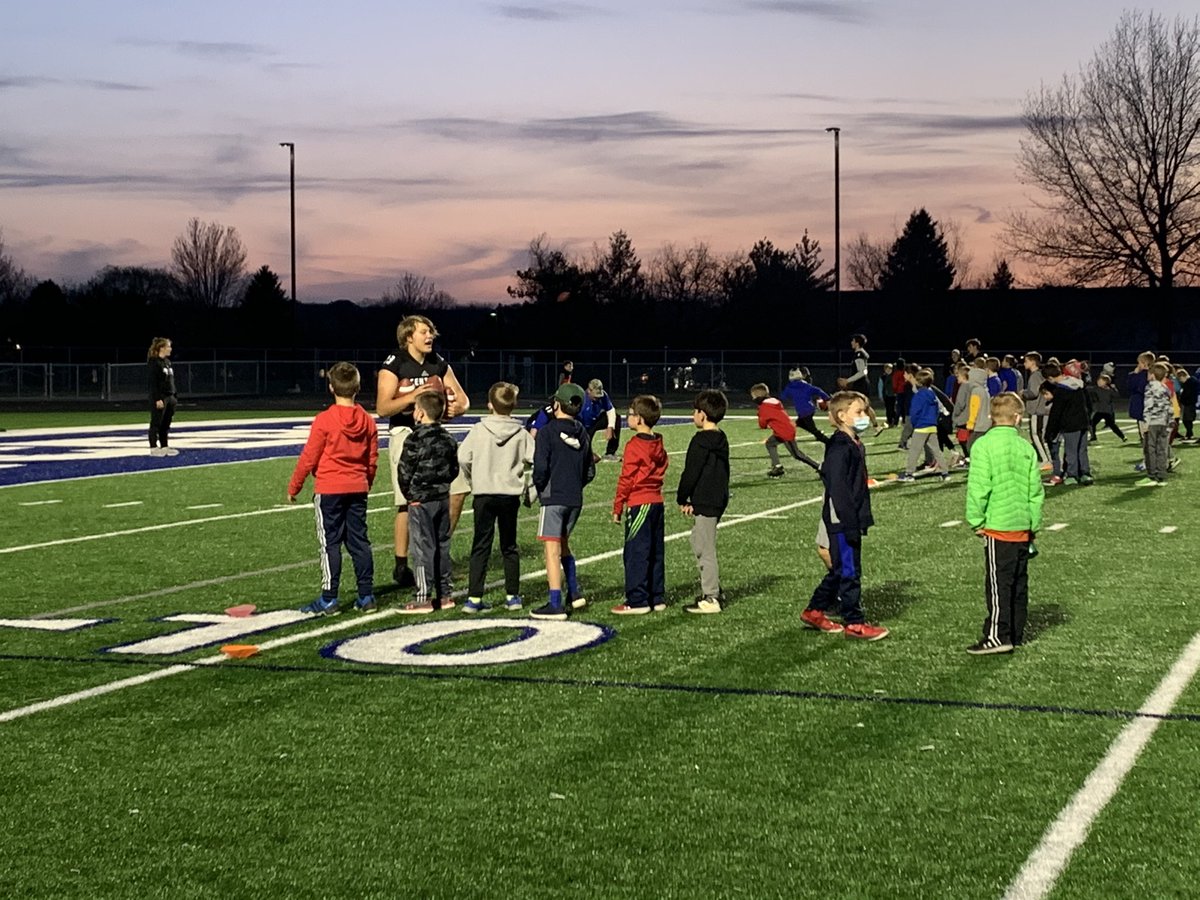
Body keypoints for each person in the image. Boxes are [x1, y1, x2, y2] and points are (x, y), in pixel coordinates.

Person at [375, 315, 469, 589]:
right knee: (408, 500)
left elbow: (463, 400)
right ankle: (401, 564)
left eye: (431, 332)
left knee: (458, 489)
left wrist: (455, 408)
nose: (430, 337)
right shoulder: (395, 363)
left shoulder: (437, 362)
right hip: (406, 433)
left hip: (436, 434)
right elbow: (383, 408)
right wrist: (414, 396)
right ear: (408, 337)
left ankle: (437, 552)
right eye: (424, 332)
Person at [289, 362, 379, 615]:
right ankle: (366, 596)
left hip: (329, 488)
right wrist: (365, 483)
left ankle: (329, 598)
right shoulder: (367, 421)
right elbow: (372, 459)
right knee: (359, 542)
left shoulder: (325, 420)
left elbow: (309, 457)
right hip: (357, 487)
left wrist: (295, 486)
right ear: (358, 388)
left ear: (331, 387)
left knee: (330, 544)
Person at [800, 390, 889, 641]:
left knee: (840, 570)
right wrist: (849, 521)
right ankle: (854, 622)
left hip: (849, 516)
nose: (864, 416)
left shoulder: (853, 442)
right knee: (849, 572)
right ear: (841, 416)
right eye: (858, 412)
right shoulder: (840, 446)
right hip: (842, 519)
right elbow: (838, 488)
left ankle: (814, 611)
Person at [964, 392, 1044, 654]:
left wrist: (976, 520)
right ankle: (1016, 632)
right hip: (1022, 526)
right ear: (1018, 418)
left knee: (998, 585)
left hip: (998, 526)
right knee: (1019, 584)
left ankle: (997, 636)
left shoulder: (983, 446)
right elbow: (1035, 491)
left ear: (991, 416)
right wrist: (1033, 524)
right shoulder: (1026, 447)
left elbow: (979, 488)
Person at [457, 382, 535, 613]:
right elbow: (537, 460)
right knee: (509, 546)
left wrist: (474, 477)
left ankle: (474, 598)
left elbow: (463, 457)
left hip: (484, 493)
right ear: (514, 405)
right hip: (509, 495)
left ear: (490, 404)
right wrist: (529, 486)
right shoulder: (521, 434)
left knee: (481, 545)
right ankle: (512, 596)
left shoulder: (478, 430)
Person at [530, 382, 596, 620]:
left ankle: (555, 603)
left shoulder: (547, 432)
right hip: (574, 498)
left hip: (553, 497)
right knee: (564, 543)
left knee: (552, 549)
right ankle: (574, 593)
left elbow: (540, 469)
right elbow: (590, 471)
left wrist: (540, 488)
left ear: (557, 404)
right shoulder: (583, 432)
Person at [397, 391, 461, 613]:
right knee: (442, 546)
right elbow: (454, 469)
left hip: (420, 500)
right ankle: (445, 594)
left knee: (423, 548)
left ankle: (423, 596)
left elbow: (404, 471)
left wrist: (410, 494)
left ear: (421, 413)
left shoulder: (414, 439)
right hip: (442, 498)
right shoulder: (448, 438)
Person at [611, 394, 669, 615]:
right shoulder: (658, 442)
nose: (628, 418)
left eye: (631, 414)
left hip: (639, 503)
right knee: (655, 551)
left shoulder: (634, 445)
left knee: (636, 553)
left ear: (640, 419)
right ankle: (656, 596)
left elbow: (626, 478)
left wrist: (618, 506)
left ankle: (637, 600)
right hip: (656, 502)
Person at [676, 389, 731, 614]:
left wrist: (682, 497)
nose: (693, 415)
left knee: (705, 548)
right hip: (717, 498)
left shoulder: (700, 441)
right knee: (698, 541)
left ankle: (711, 597)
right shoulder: (721, 437)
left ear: (703, 414)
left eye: (695, 411)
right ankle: (714, 588)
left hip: (706, 499)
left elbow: (691, 472)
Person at [750, 382, 820, 477]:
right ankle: (777, 467)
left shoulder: (763, 407)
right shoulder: (774, 401)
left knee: (797, 454)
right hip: (783, 430)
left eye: (753, 396)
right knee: (770, 443)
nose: (753, 399)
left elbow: (762, 425)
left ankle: (819, 467)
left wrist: (760, 414)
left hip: (785, 432)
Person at [1042, 362, 1093, 486]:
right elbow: (1088, 404)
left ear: (1050, 378)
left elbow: (1056, 412)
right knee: (1082, 450)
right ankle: (1085, 474)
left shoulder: (1061, 390)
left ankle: (1072, 475)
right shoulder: (1078, 384)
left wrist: (1050, 431)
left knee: (1071, 451)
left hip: (1070, 424)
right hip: (1083, 422)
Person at [897, 368, 949, 482]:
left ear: (919, 382)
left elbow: (914, 412)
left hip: (921, 427)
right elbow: (936, 410)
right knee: (937, 451)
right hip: (932, 426)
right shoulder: (932, 394)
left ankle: (909, 474)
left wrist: (915, 424)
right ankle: (945, 473)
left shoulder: (918, 395)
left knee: (914, 451)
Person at [1137, 362, 1172, 486]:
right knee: (1162, 449)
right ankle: (1161, 475)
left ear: (1152, 375)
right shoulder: (1165, 387)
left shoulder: (1150, 387)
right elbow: (1169, 407)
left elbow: (1148, 406)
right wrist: (1170, 423)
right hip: (1164, 423)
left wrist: (1145, 424)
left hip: (1152, 423)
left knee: (1150, 449)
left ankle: (1152, 476)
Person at [780, 366, 830, 444]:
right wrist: (827, 398)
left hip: (804, 411)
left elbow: (783, 397)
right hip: (810, 409)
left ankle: (826, 440)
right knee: (800, 423)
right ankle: (819, 435)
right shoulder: (806, 385)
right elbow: (818, 390)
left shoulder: (789, 387)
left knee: (812, 428)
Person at [147, 337, 178, 457]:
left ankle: (164, 446)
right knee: (156, 422)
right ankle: (153, 447)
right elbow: (153, 383)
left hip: (170, 396)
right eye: (168, 346)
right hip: (161, 397)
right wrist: (157, 398)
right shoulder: (154, 362)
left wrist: (174, 396)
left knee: (166, 423)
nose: (170, 349)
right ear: (162, 348)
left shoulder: (167, 362)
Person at [1022, 351, 1052, 467]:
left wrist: (1023, 393)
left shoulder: (1035, 376)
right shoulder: (1040, 374)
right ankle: (1046, 458)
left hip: (1036, 409)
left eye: (1026, 361)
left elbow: (1033, 393)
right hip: (1041, 408)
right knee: (1039, 435)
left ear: (1033, 362)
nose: (1024, 363)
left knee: (1036, 435)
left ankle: (1045, 460)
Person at [581, 378, 621, 460]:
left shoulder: (603, 396)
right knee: (584, 453)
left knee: (616, 418)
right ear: (589, 391)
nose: (598, 398)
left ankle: (610, 452)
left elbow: (610, 410)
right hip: (583, 426)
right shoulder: (581, 398)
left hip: (595, 421)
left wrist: (610, 427)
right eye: (595, 396)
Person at [1086, 373, 1126, 442]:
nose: (1098, 382)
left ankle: (1122, 436)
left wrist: (1114, 388)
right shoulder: (1096, 389)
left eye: (1100, 381)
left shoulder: (1109, 390)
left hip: (1107, 412)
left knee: (1112, 425)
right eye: (1098, 381)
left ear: (1105, 382)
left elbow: (1117, 395)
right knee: (1092, 423)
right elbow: (1088, 389)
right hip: (1099, 411)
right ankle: (1093, 437)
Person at [1177, 367, 1197, 441]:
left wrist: (1182, 399)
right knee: (1187, 420)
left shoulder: (1189, 382)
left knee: (1187, 420)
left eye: (1180, 379)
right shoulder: (1192, 381)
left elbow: (1187, 394)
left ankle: (1189, 434)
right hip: (1189, 403)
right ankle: (1189, 434)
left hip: (1189, 403)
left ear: (1183, 376)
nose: (1181, 381)